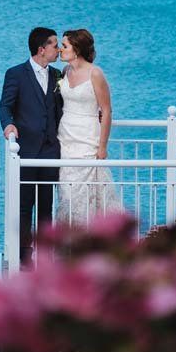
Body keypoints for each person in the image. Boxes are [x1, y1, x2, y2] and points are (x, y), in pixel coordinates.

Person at [0, 27, 62, 267]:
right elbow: (4, 106)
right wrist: (8, 126)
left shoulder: (58, 76)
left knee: (46, 205)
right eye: (55, 45)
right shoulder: (15, 74)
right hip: (25, 150)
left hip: (50, 151)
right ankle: (24, 256)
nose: (58, 49)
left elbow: (63, 109)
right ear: (41, 49)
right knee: (25, 205)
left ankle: (45, 254)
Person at [55, 28, 121, 223]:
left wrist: (102, 146)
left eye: (64, 46)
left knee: (86, 191)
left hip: (87, 138)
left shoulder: (95, 74)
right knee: (67, 192)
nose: (60, 49)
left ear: (76, 49)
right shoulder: (65, 72)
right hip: (65, 138)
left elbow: (107, 110)